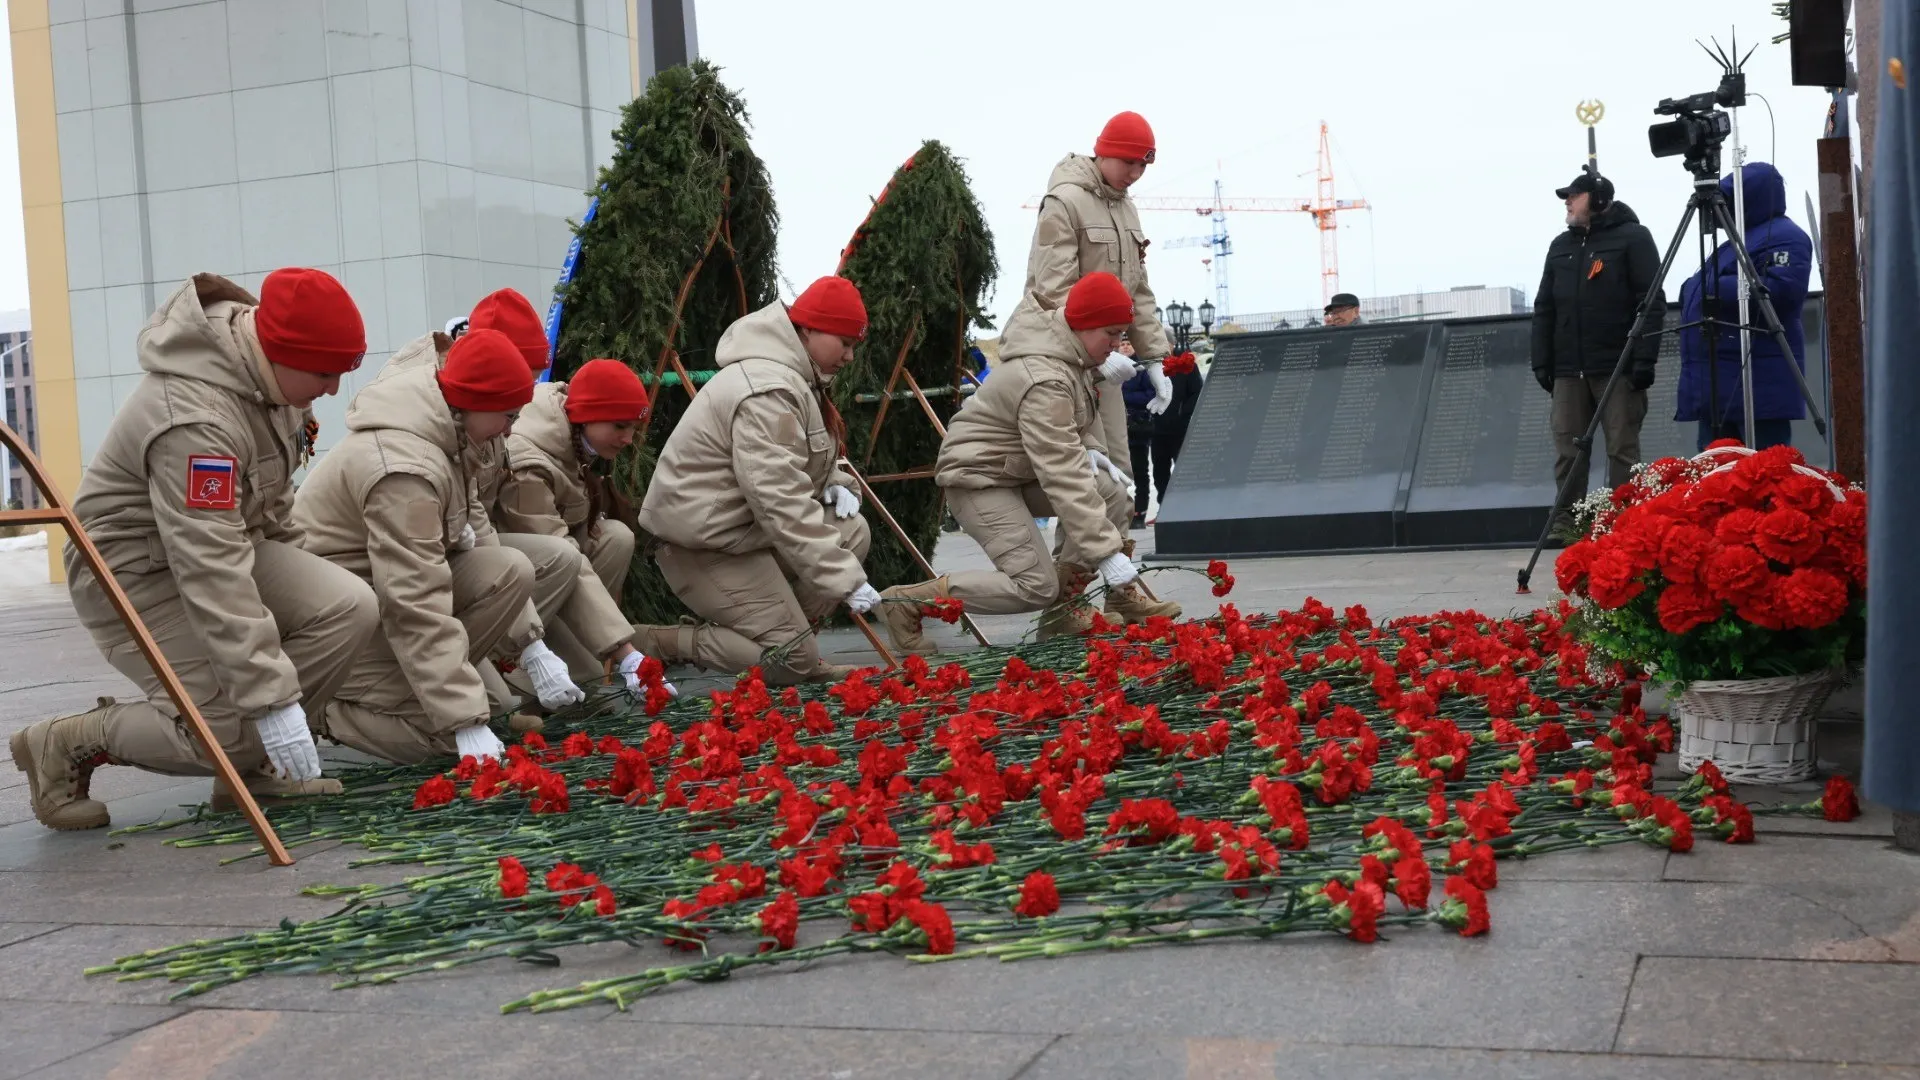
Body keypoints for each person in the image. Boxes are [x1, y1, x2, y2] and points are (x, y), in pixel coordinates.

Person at [9, 270, 379, 829]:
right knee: (223, 734)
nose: (332, 389)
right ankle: (67, 741)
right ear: (278, 352)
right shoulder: (194, 417)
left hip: (222, 546)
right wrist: (272, 697)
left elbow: (273, 510)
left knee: (348, 606)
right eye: (325, 373)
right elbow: (209, 566)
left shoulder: (276, 387)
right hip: (133, 573)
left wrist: (296, 611)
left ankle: (256, 767)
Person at [293, 330, 561, 765]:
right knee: (441, 741)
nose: (511, 429)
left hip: (378, 594)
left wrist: (532, 645)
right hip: (340, 620)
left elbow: (474, 530)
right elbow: (414, 597)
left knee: (509, 571)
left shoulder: (453, 434)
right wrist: (463, 718)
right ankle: (321, 707)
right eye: (507, 416)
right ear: (475, 402)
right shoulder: (405, 467)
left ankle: (417, 688)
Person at [877, 274, 1177, 654]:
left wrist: (1090, 445)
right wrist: (1106, 553)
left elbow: (1072, 420)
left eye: (1122, 334)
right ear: (1083, 325)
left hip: (1016, 471)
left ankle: (1066, 612)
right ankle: (905, 602)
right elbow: (1062, 472)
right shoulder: (1045, 377)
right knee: (1035, 586)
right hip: (979, 478)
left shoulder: (1070, 356)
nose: (1118, 344)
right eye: (1112, 333)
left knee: (1111, 493)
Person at [635, 276, 879, 686]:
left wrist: (834, 482)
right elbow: (777, 496)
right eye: (844, 343)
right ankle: (662, 642)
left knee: (851, 531)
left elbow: (792, 460)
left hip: (743, 537)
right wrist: (845, 579)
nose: (850, 356)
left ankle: (797, 645)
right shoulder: (768, 389)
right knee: (790, 660)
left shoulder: (794, 378)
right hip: (705, 548)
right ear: (808, 329)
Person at [378, 289, 596, 721]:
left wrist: (533, 645)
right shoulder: (421, 434)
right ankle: (347, 702)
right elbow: (413, 579)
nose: (517, 418)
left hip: (449, 545)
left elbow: (473, 509)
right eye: (511, 407)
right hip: (390, 572)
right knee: (484, 711)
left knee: (545, 563)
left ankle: (486, 665)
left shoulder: (475, 412)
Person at [493, 358, 676, 695]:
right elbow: (561, 558)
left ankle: (572, 651)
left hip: (550, 578)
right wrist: (626, 653)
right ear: (587, 416)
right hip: (509, 596)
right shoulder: (529, 466)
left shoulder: (572, 437)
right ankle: (512, 671)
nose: (628, 439)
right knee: (586, 684)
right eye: (619, 426)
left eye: (633, 428)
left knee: (616, 538)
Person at [1018, 111, 1177, 490]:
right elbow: (1054, 290)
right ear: (1103, 152)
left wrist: (1155, 358)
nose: (1136, 173)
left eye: (1143, 165)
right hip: (1062, 364)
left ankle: (1108, 535)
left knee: (1118, 477)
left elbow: (1137, 290)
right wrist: (1095, 351)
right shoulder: (1064, 201)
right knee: (1085, 481)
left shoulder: (1126, 207)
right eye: (1128, 162)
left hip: (1105, 363)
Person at [1530, 170, 1665, 534]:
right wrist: (1542, 361)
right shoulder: (1560, 245)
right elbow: (1545, 307)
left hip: (1617, 366)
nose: (1567, 202)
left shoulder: (1634, 238)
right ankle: (1566, 522)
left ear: (1598, 199)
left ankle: (1624, 523)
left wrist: (1644, 359)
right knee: (1568, 450)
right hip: (1568, 369)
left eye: (1574, 196)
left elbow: (1651, 301)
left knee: (1622, 450)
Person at [1674, 162, 1814, 451]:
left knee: (1764, 468)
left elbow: (1782, 292)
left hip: (1758, 386)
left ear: (1748, 198)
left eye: (1728, 200)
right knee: (1717, 470)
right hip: (1722, 384)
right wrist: (1696, 288)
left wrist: (1708, 288)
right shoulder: (1737, 242)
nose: (1721, 209)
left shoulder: (1786, 236)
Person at [1150, 351, 1205, 520]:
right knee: (1160, 472)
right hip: (1157, 427)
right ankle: (1164, 509)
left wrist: (1184, 413)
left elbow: (1196, 392)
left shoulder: (1186, 364)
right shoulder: (1152, 365)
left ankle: (1187, 508)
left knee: (1184, 471)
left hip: (1181, 428)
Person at [1118, 340, 1155, 527]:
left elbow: (1150, 394)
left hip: (1137, 427)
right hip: (1117, 427)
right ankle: (1120, 512)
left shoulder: (1142, 368)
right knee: (1117, 472)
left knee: (1140, 472)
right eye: (1122, 343)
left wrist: (1123, 397)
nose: (1125, 346)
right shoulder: (1111, 364)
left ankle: (1140, 513)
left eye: (1128, 343)